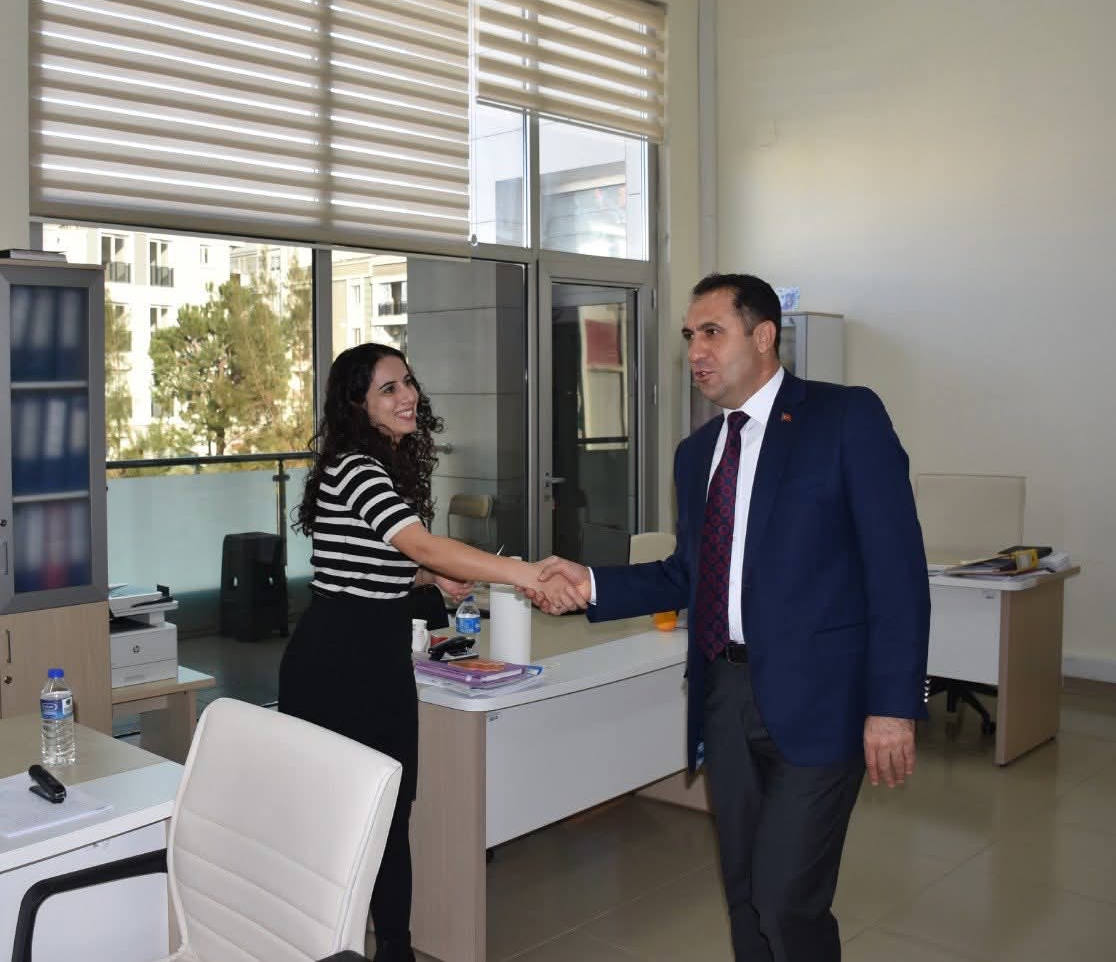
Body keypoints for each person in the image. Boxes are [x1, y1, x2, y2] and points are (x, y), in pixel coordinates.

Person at [532, 273, 930, 962]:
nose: (695, 351)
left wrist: (893, 705)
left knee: (787, 899)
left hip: (823, 699)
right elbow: (686, 573)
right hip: (724, 694)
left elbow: (897, 571)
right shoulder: (697, 455)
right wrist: (590, 581)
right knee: (745, 895)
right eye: (690, 336)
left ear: (764, 335)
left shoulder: (844, 418)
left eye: (712, 332)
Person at [278, 342, 574, 962]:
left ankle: (393, 947)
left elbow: (375, 562)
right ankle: (329, 942)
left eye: (408, 382)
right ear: (357, 404)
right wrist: (520, 572)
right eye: (388, 388)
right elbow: (423, 544)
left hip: (375, 655)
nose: (407, 396)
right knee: (342, 811)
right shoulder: (358, 467)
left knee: (390, 811)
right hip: (338, 663)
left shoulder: (377, 466)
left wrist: (428, 578)